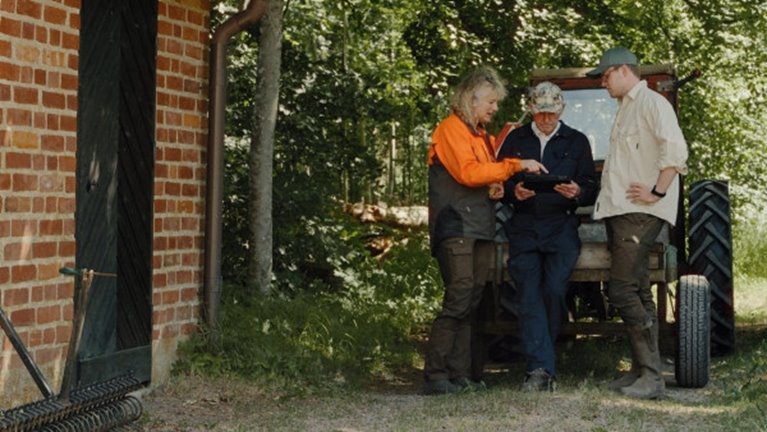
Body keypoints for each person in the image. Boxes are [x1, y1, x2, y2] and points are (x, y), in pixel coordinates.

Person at [424, 66, 547, 395]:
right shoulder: (450, 129)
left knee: (472, 299)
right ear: (471, 98)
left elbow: (483, 175)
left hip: (479, 226)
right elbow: (467, 173)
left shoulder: (480, 135)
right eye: (491, 102)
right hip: (456, 226)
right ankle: (435, 374)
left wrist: (500, 186)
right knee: (459, 296)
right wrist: (515, 166)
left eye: (496, 103)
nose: (495, 108)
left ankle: (462, 375)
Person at [585, 47, 689, 399]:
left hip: (639, 213)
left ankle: (651, 377)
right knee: (639, 290)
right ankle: (644, 372)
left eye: (605, 75)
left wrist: (657, 193)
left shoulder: (652, 104)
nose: (602, 83)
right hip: (621, 211)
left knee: (621, 289)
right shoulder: (626, 109)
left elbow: (675, 152)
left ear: (622, 71)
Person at [496, 81, 597, 392]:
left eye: (551, 114)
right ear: (530, 110)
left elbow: (591, 186)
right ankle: (540, 369)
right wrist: (515, 191)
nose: (546, 120)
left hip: (561, 228)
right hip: (524, 227)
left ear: (561, 109)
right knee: (528, 295)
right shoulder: (516, 139)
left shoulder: (578, 141)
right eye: (540, 114)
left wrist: (578, 191)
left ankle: (543, 359)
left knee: (554, 291)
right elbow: (499, 180)